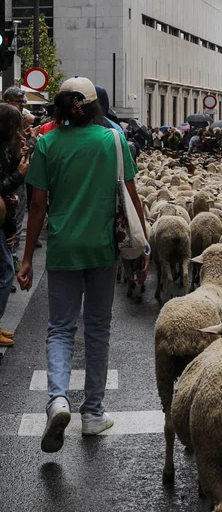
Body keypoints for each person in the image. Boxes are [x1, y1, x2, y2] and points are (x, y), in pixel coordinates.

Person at [18, 77, 148, 452]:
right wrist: (143, 249)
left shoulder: (46, 143)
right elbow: (131, 197)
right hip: (102, 248)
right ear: (95, 107)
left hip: (63, 248)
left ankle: (58, 400)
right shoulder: (114, 140)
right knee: (97, 328)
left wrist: (27, 259)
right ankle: (93, 413)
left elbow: (38, 206)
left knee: (60, 329)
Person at [0, 104, 28, 346]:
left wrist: (17, 153)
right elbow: (2, 184)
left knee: (5, 269)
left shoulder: (3, 150)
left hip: (1, 220)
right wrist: (19, 175)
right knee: (6, 271)